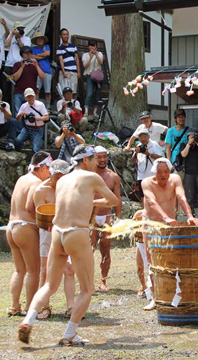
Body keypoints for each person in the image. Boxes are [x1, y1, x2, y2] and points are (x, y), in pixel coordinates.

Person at [18, 145, 120, 345]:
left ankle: (28, 321)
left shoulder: (63, 179)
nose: (96, 162)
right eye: (93, 159)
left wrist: (87, 200)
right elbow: (113, 200)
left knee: (49, 284)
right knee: (87, 289)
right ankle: (69, 334)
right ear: (85, 160)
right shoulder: (92, 178)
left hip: (57, 232)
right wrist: (93, 201)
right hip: (76, 232)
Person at [141, 158, 198, 310]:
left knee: (172, 259)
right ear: (155, 173)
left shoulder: (174, 179)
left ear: (170, 171)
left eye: (166, 171)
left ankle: (174, 293)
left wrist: (189, 215)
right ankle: (155, 297)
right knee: (151, 260)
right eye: (159, 172)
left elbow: (181, 196)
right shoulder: (146, 182)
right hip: (151, 224)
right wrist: (165, 217)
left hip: (170, 225)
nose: (163, 175)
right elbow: (152, 202)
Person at [6, 151, 51, 317]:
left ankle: (14, 305)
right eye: (49, 170)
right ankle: (31, 308)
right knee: (34, 271)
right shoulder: (36, 183)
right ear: (43, 167)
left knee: (19, 270)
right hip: (25, 228)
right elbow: (30, 208)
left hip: (11, 226)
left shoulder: (22, 179)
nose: (50, 174)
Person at [32, 159, 75, 320]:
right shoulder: (41, 190)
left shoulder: (69, 188)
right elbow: (40, 215)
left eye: (63, 176)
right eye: (57, 177)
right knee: (45, 270)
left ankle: (71, 307)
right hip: (48, 232)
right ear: (51, 175)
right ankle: (44, 306)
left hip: (66, 230)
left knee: (70, 269)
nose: (60, 180)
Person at [90, 146, 122, 292]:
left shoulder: (113, 176)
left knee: (106, 249)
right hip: (91, 216)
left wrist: (118, 218)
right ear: (93, 158)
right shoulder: (88, 175)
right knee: (89, 250)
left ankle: (103, 281)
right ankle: (88, 281)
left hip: (107, 215)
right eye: (99, 157)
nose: (102, 160)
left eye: (104, 156)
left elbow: (117, 198)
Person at [3, 20, 31, 104]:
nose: (21, 30)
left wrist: (18, 38)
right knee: (6, 87)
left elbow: (24, 48)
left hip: (20, 65)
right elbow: (6, 45)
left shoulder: (26, 38)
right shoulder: (11, 37)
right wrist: (12, 34)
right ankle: (6, 106)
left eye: (22, 28)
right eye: (19, 29)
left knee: (18, 86)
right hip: (9, 64)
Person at [12, 46, 45, 114]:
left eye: (30, 53)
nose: (28, 55)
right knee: (18, 113)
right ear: (22, 54)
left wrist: (37, 66)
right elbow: (15, 78)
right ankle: (19, 125)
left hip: (31, 93)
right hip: (19, 92)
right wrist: (22, 66)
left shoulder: (34, 65)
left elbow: (42, 77)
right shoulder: (17, 64)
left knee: (31, 113)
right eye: (26, 53)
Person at [15, 88, 49, 154]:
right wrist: (20, 115)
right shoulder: (23, 106)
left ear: (34, 96)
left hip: (38, 129)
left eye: (32, 96)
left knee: (36, 149)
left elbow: (47, 117)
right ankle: (19, 156)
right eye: (28, 97)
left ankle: (35, 163)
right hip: (27, 128)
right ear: (25, 98)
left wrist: (37, 118)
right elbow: (17, 119)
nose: (30, 98)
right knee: (18, 141)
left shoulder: (40, 105)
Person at [132, 129, 163, 200]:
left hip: (152, 175)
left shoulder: (154, 144)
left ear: (148, 137)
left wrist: (148, 154)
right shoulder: (138, 146)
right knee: (142, 196)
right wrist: (136, 153)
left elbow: (160, 157)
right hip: (141, 176)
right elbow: (133, 160)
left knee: (154, 195)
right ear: (139, 138)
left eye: (145, 136)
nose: (143, 139)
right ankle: (146, 210)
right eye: (141, 137)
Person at [81, 40, 104, 118]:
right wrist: (90, 57)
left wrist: (96, 54)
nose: (92, 47)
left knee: (97, 94)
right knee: (89, 93)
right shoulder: (85, 55)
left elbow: (101, 62)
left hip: (98, 77)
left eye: (93, 46)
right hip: (89, 76)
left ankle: (95, 112)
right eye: (90, 45)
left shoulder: (100, 53)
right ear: (88, 46)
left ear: (96, 47)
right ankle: (86, 112)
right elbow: (85, 65)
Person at [165, 108, 190, 180]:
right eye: (179, 117)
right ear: (175, 119)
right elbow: (168, 148)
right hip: (175, 162)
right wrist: (169, 162)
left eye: (183, 117)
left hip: (186, 162)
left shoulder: (189, 130)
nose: (181, 119)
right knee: (175, 182)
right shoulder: (170, 131)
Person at [31, 32, 52, 108]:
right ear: (36, 40)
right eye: (38, 39)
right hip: (36, 71)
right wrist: (42, 56)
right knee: (36, 90)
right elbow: (31, 57)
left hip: (47, 71)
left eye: (41, 38)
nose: (40, 40)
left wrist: (37, 56)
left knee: (48, 90)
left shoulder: (46, 46)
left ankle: (48, 107)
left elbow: (47, 54)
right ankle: (36, 106)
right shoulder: (32, 48)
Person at [56, 28, 80, 94]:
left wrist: (78, 72)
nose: (66, 36)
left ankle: (73, 104)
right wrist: (63, 72)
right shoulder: (59, 48)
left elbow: (77, 59)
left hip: (74, 71)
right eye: (64, 34)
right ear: (60, 36)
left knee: (74, 91)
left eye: (67, 34)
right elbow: (61, 60)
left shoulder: (73, 46)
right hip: (65, 71)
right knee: (64, 91)